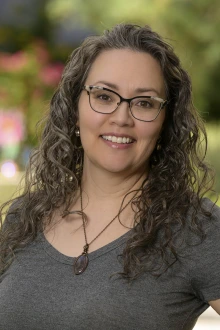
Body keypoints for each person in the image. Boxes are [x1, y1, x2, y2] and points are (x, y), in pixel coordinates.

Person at [0, 23, 220, 330]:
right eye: (103, 96)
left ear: (166, 122)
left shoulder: (197, 228)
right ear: (74, 109)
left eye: (144, 103)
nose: (120, 118)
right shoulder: (24, 217)